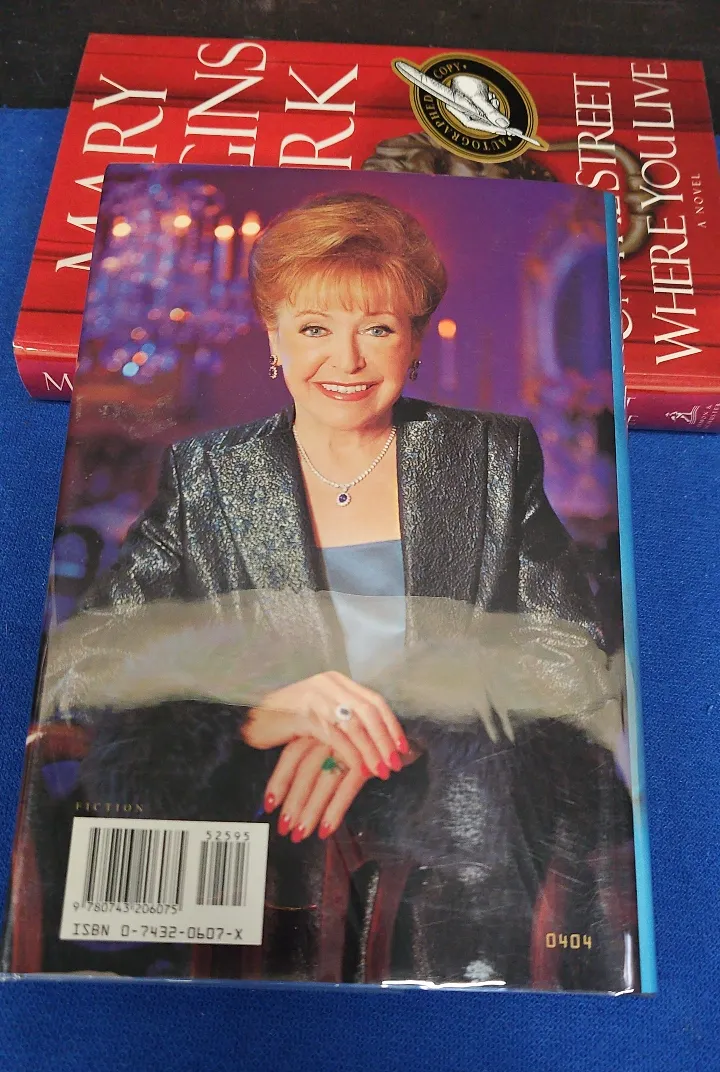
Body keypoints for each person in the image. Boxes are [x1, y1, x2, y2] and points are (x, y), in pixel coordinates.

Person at [18, 191, 635, 989]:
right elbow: (87, 660)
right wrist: (258, 707)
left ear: (414, 341)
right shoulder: (210, 474)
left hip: (446, 845)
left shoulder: (489, 456)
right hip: (249, 846)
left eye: (377, 329)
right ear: (273, 336)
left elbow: (568, 658)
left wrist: (390, 721)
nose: (346, 362)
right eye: (314, 329)